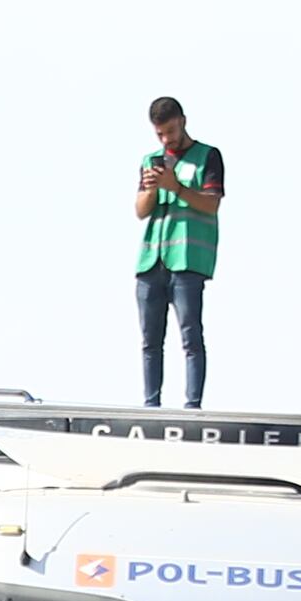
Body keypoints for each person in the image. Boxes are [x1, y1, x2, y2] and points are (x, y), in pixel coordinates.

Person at [131, 95, 222, 409]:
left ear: (182, 120)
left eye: (170, 131)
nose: (166, 139)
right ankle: (150, 405)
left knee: (190, 337)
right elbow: (141, 210)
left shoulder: (208, 156)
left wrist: (177, 188)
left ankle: (192, 406)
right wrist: (155, 187)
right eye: (160, 134)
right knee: (149, 342)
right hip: (151, 262)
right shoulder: (150, 160)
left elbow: (211, 203)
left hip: (188, 261)